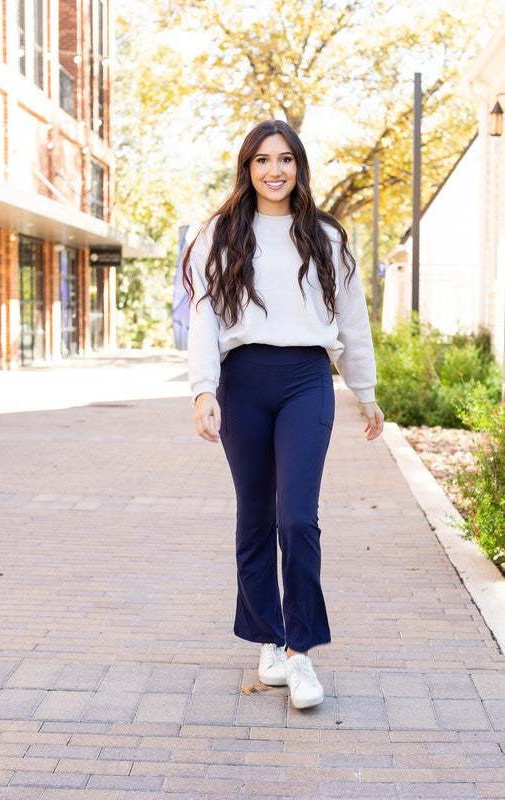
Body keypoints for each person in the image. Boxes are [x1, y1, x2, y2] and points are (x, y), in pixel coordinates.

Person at [182, 119, 384, 710]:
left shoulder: (326, 236)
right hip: (243, 382)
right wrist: (203, 389)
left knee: (297, 516)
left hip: (305, 381)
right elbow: (205, 320)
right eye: (263, 160)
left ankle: (301, 652)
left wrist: (364, 390)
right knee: (255, 517)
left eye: (286, 159)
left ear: (300, 167)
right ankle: (267, 639)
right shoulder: (217, 236)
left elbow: (353, 319)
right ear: (247, 168)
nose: (275, 170)